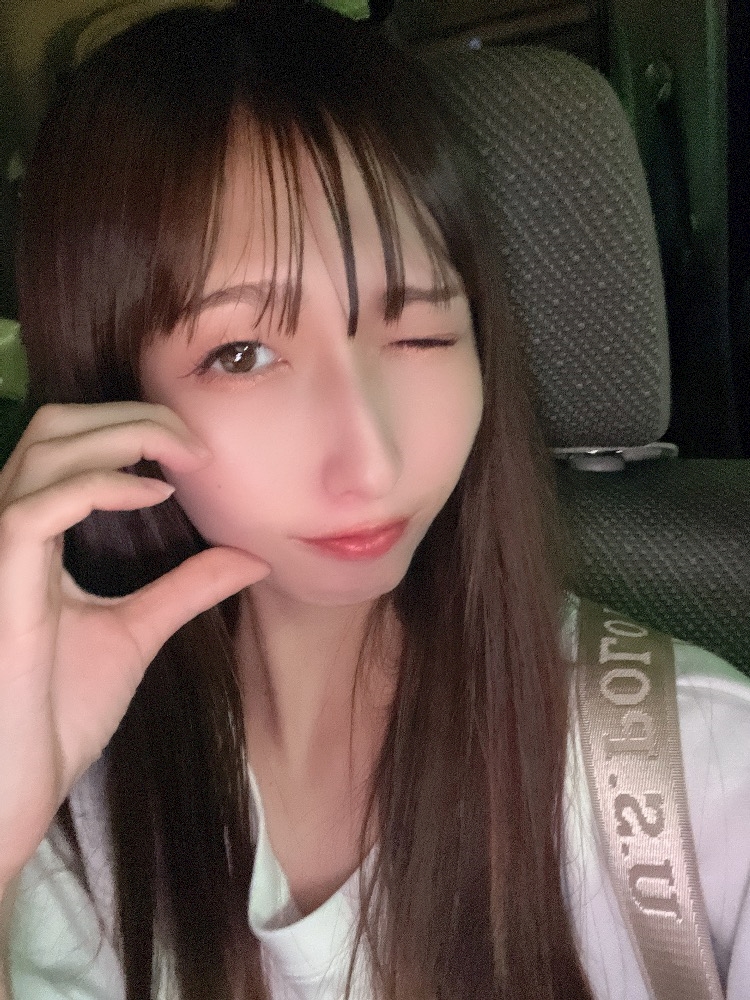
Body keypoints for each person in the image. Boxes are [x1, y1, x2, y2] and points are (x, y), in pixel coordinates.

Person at [0, 3, 748, 999]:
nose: (371, 458)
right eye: (243, 354)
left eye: (421, 333)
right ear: (110, 395)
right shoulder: (60, 797)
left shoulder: (696, 773)